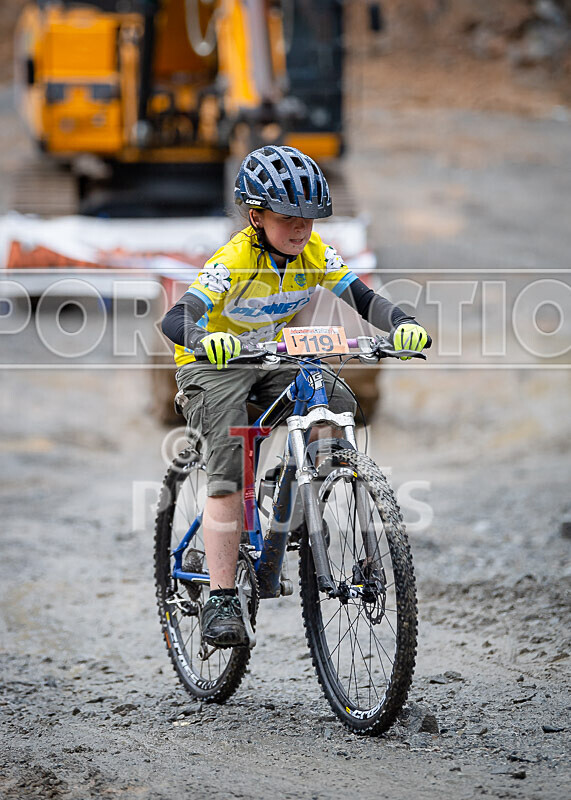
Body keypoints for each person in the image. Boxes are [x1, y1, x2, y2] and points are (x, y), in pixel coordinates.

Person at [161, 145, 429, 648]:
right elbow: (175, 318)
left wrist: (402, 324)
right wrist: (203, 339)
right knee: (226, 468)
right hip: (213, 362)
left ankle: (302, 488)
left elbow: (364, 298)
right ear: (255, 216)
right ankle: (220, 595)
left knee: (336, 399)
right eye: (287, 218)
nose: (301, 229)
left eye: (309, 217)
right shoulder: (234, 259)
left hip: (267, 355)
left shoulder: (314, 252)